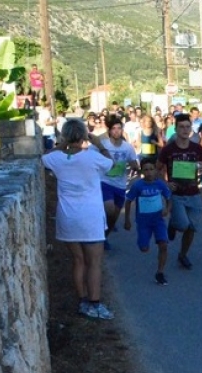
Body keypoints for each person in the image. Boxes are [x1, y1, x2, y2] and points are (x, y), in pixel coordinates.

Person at [41, 119, 116, 319]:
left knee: (78, 260)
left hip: (68, 216)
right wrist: (98, 144)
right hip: (90, 216)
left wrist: (63, 144)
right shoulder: (92, 157)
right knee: (94, 262)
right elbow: (110, 163)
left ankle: (83, 301)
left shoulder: (56, 159)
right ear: (84, 136)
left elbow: (43, 157)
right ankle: (95, 303)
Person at [156, 113, 202, 270]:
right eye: (181, 127)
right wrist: (165, 184)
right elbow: (157, 169)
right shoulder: (168, 150)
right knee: (184, 225)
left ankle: (183, 255)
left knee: (192, 228)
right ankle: (174, 223)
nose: (185, 130)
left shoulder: (197, 148)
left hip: (193, 193)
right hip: (176, 194)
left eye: (187, 127)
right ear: (175, 128)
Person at [124, 160, 173, 285]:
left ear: (155, 170)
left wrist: (167, 209)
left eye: (151, 169)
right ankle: (143, 242)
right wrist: (127, 220)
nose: (149, 172)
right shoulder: (138, 186)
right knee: (144, 248)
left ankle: (160, 273)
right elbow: (128, 201)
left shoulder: (160, 184)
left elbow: (169, 198)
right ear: (142, 172)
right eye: (146, 169)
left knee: (163, 245)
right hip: (143, 222)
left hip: (158, 221)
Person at [98, 115, 140, 248]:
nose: (116, 131)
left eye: (119, 128)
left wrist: (136, 167)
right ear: (109, 131)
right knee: (109, 209)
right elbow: (90, 155)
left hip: (120, 184)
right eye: (114, 129)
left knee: (114, 216)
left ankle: (105, 237)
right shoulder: (103, 145)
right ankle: (98, 232)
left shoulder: (127, 147)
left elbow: (133, 161)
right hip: (105, 181)